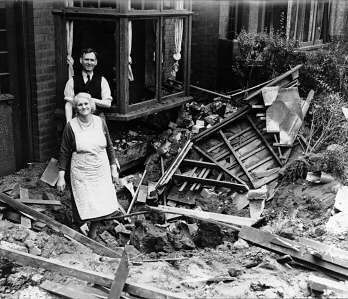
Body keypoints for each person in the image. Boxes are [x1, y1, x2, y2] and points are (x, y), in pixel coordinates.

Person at [57, 92, 120, 238]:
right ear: (76, 108)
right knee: (83, 204)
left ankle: (92, 234)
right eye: (80, 105)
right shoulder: (70, 126)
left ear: (91, 105)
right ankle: (79, 232)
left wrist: (113, 170)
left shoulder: (100, 122)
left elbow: (109, 146)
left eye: (86, 104)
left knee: (100, 204)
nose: (83, 107)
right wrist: (61, 177)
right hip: (82, 170)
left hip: (100, 167)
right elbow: (64, 152)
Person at [64, 48, 113, 122]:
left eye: (92, 60)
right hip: (78, 118)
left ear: (96, 62)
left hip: (97, 117)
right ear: (81, 60)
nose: (89, 63)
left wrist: (88, 99)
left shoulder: (102, 80)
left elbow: (107, 103)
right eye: (86, 59)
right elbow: (68, 104)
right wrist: (69, 124)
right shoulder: (72, 81)